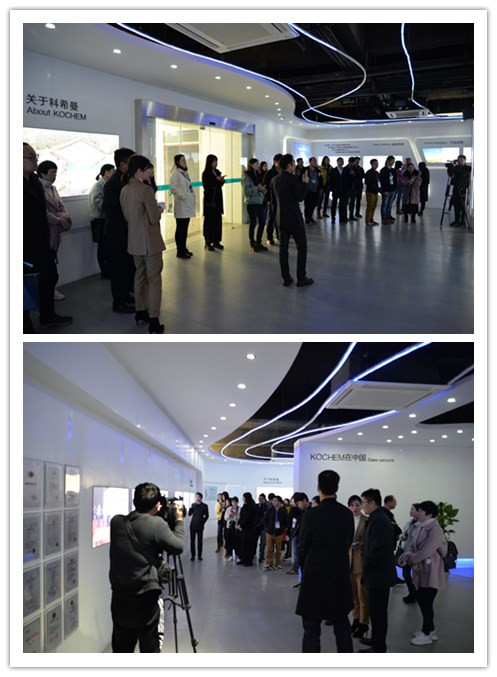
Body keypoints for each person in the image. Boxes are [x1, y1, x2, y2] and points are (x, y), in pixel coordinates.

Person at [109, 482, 184, 653]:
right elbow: (178, 546)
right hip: (145, 600)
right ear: (157, 505)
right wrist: (179, 522)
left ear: (134, 500)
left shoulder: (116, 522)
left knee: (121, 650)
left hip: (119, 597)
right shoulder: (157, 524)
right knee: (150, 649)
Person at [295, 470, 354, 653]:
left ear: (318, 487)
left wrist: (304, 569)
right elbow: (348, 542)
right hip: (339, 576)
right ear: (337, 488)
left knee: (311, 631)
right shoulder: (346, 514)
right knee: (342, 627)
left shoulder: (311, 515)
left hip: (314, 577)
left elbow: (302, 547)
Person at [23, 143, 72, 331]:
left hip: (43, 241)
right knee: (23, 287)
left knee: (49, 277)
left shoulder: (35, 181)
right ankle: (24, 326)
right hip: (24, 245)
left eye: (35, 156)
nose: (35, 160)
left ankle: (48, 315)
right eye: (30, 156)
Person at [119, 154, 166, 334]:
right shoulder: (145, 190)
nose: (151, 172)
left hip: (134, 241)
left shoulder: (125, 190)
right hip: (149, 242)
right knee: (154, 280)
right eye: (148, 169)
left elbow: (127, 217)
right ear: (139, 171)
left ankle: (141, 311)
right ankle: (154, 319)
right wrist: (159, 209)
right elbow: (154, 218)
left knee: (139, 276)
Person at [398, 501, 448, 646]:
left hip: (431, 570)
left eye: (420, 511)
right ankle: (430, 630)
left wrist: (411, 559)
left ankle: (426, 633)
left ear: (429, 514)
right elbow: (413, 546)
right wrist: (408, 556)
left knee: (426, 601)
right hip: (421, 569)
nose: (417, 513)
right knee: (423, 600)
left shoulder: (435, 530)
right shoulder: (422, 526)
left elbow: (427, 551)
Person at [358, 489, 397, 653]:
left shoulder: (378, 520)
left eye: (363, 502)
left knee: (378, 612)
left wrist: (366, 566)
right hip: (378, 574)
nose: (362, 506)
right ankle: (376, 640)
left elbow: (377, 549)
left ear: (372, 503)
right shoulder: (378, 518)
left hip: (378, 575)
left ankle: (379, 646)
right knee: (376, 611)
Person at [270, 153, 313, 288]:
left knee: (283, 250)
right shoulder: (292, 178)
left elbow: (273, 203)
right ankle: (301, 278)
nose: (294, 165)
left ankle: (286, 278)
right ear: (289, 165)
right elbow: (300, 197)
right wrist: (305, 183)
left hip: (281, 219)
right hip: (294, 219)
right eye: (293, 163)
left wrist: (275, 219)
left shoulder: (274, 180)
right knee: (302, 247)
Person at [103, 147, 136, 314]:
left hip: (127, 233)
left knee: (127, 268)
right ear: (123, 164)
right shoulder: (113, 184)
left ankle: (126, 295)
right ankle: (119, 302)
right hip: (117, 235)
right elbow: (112, 212)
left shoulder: (125, 179)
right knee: (118, 270)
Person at [37, 160, 73, 302]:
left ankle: (50, 289)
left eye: (55, 173)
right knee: (47, 266)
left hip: (55, 231)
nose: (54, 176)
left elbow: (61, 207)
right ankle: (47, 291)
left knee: (52, 262)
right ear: (42, 173)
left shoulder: (53, 188)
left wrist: (62, 217)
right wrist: (58, 220)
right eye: (52, 173)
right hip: (46, 231)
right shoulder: (37, 188)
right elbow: (42, 211)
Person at [347, 495, 369, 638]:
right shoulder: (346, 520)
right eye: (352, 505)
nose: (354, 508)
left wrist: (361, 544)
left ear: (361, 506)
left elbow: (370, 541)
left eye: (357, 505)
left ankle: (364, 622)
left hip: (361, 561)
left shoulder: (366, 521)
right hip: (348, 561)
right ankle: (356, 618)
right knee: (353, 595)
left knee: (363, 596)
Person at [89, 164, 115, 277]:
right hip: (100, 220)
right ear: (106, 172)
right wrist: (110, 207)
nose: (114, 173)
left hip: (106, 219)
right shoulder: (98, 186)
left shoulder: (107, 185)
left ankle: (109, 268)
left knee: (108, 246)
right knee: (103, 247)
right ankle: (104, 270)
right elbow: (97, 202)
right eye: (112, 171)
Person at [169, 154, 195, 259]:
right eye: (182, 160)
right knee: (181, 229)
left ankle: (184, 248)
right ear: (177, 162)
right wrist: (183, 196)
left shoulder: (184, 173)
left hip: (186, 205)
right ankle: (180, 251)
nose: (185, 162)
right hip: (181, 205)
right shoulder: (176, 174)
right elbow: (173, 188)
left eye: (185, 160)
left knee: (184, 229)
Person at [243, 158, 268, 252]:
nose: (258, 165)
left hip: (260, 202)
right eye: (256, 163)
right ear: (251, 165)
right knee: (253, 223)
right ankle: (252, 242)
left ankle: (258, 242)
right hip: (251, 203)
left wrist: (263, 190)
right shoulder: (246, 177)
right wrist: (257, 188)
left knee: (262, 222)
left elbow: (262, 187)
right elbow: (247, 191)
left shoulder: (258, 175)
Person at [398, 503, 421, 603]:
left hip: (416, 554)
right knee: (406, 574)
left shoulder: (421, 525)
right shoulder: (409, 523)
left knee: (417, 576)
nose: (410, 511)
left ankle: (415, 594)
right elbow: (402, 536)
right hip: (406, 553)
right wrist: (403, 536)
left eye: (412, 509)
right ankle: (412, 592)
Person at [202, 154, 225, 251]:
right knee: (209, 221)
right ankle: (208, 242)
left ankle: (216, 241)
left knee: (217, 220)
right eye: (214, 161)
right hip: (210, 200)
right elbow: (206, 186)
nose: (216, 163)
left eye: (216, 161)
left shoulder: (217, 171)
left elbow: (220, 184)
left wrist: (221, 180)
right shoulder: (206, 173)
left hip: (217, 199)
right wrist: (216, 180)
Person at [263, 495, 288, 570]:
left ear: (279, 502)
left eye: (275, 500)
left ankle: (278, 563)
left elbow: (286, 521)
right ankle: (269, 563)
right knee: (269, 549)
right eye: (273, 500)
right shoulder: (270, 510)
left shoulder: (283, 511)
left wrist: (282, 528)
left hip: (279, 533)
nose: (273, 502)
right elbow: (264, 519)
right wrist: (267, 527)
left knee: (278, 550)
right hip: (270, 532)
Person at [263, 153, 283, 245]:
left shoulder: (283, 172)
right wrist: (269, 198)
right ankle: (269, 237)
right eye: (280, 161)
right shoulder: (269, 173)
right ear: (275, 162)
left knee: (280, 218)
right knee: (271, 219)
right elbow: (265, 187)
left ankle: (279, 235)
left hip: (281, 199)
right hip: (272, 199)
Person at [287, 492, 309, 576]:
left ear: (304, 500)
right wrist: (293, 507)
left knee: (301, 554)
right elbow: (292, 516)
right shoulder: (300, 510)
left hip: (303, 536)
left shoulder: (309, 511)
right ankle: (297, 568)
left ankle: (299, 568)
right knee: (296, 553)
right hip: (297, 533)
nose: (298, 505)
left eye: (298, 503)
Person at [447, 155, 471, 227]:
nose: (460, 161)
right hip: (456, 188)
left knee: (463, 206)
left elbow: (462, 174)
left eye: (461, 160)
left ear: (465, 160)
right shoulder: (456, 167)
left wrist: (455, 168)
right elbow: (450, 174)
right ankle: (456, 220)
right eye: (459, 160)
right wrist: (451, 167)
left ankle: (462, 221)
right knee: (456, 206)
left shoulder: (468, 168)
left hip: (464, 189)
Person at [236, 492, 257, 566]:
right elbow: (241, 516)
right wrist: (238, 524)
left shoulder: (251, 507)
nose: (242, 498)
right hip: (243, 529)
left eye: (243, 497)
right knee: (242, 545)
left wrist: (241, 525)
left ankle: (248, 561)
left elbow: (248, 518)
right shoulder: (245, 506)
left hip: (248, 529)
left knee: (248, 545)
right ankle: (243, 559)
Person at [188, 492, 209, 561]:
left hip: (200, 526)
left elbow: (207, 516)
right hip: (193, 526)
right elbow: (189, 514)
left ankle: (199, 555)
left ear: (201, 498)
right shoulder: (193, 505)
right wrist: (190, 509)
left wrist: (202, 522)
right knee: (192, 541)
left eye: (198, 497)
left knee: (200, 541)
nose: (197, 498)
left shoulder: (204, 506)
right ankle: (193, 556)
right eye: (196, 497)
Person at [329, 157, 348, 224]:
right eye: (340, 161)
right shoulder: (333, 170)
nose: (341, 162)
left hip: (343, 190)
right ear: (337, 162)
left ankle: (342, 218)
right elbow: (330, 180)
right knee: (334, 204)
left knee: (342, 205)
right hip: (336, 190)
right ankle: (333, 218)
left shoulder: (345, 170)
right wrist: (332, 189)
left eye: (342, 161)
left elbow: (347, 180)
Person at [379, 155, 397, 225]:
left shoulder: (393, 170)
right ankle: (384, 218)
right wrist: (383, 190)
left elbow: (395, 180)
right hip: (386, 190)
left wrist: (395, 188)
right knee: (384, 205)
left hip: (392, 190)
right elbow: (381, 181)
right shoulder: (383, 170)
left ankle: (388, 217)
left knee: (389, 205)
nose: (393, 162)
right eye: (392, 161)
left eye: (393, 161)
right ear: (388, 161)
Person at [303, 157, 321, 225]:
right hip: (308, 190)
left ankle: (310, 217)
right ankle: (307, 218)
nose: (315, 162)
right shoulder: (306, 169)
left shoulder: (317, 170)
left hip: (316, 190)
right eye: (313, 161)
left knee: (314, 204)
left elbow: (320, 179)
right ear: (310, 162)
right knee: (308, 204)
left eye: (315, 161)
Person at [364, 159, 381, 227]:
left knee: (374, 207)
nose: (376, 165)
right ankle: (367, 221)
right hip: (370, 192)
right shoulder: (369, 172)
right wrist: (374, 187)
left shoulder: (377, 173)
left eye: (377, 163)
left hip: (376, 192)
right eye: (375, 164)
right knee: (370, 207)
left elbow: (379, 182)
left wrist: (379, 189)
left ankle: (371, 220)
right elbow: (366, 182)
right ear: (371, 164)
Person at [224, 496, 240, 561]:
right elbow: (225, 518)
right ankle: (230, 555)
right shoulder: (229, 509)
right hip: (229, 527)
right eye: (233, 502)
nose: (234, 503)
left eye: (235, 502)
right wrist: (229, 515)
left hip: (236, 527)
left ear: (237, 502)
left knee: (236, 542)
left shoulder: (240, 509)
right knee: (229, 542)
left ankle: (237, 555)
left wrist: (235, 514)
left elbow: (240, 518)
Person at [255, 493, 269, 562]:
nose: (259, 500)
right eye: (259, 498)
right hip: (256, 526)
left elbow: (266, 515)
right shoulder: (256, 506)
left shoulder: (266, 506)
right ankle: (253, 553)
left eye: (261, 498)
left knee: (263, 542)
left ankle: (261, 555)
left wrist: (264, 505)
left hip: (263, 527)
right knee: (254, 541)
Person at [344, 157, 358, 222]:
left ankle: (351, 215)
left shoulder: (355, 168)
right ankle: (345, 216)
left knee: (352, 202)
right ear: (349, 162)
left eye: (353, 163)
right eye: (351, 162)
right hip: (347, 188)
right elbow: (344, 178)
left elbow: (358, 176)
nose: (352, 164)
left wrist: (354, 174)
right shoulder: (345, 169)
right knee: (345, 202)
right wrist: (349, 174)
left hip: (354, 188)